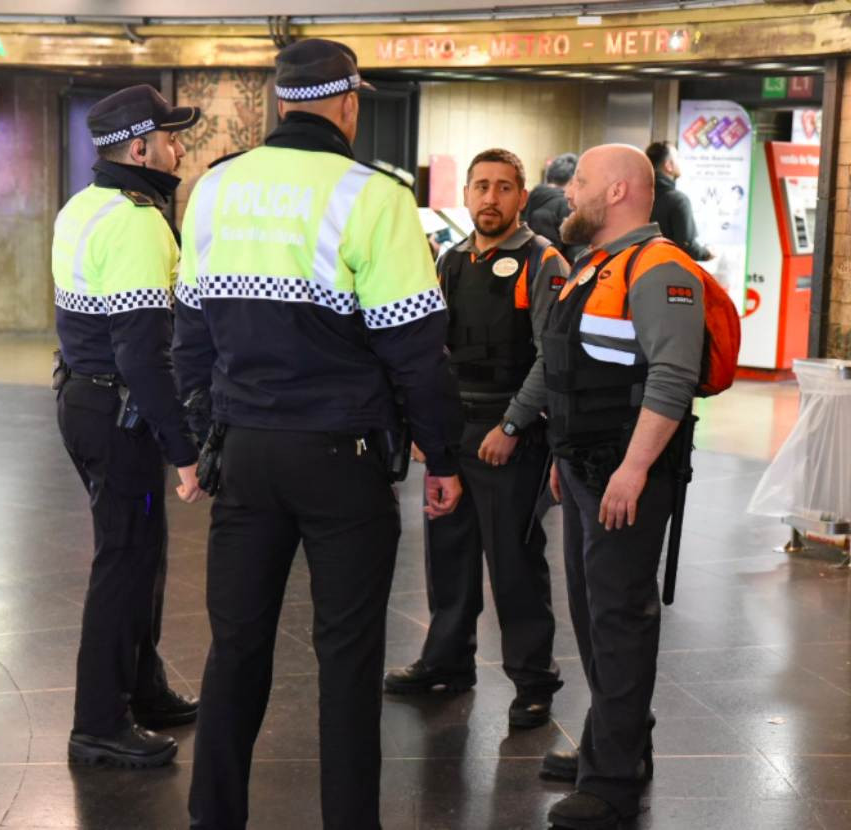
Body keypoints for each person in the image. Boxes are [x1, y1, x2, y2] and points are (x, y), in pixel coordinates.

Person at [173, 38, 464, 830]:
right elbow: (417, 352)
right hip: (344, 459)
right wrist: (443, 456)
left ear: (278, 104)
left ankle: (214, 817)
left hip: (246, 451)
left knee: (235, 649)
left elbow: (189, 337)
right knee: (346, 657)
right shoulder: (373, 197)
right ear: (348, 105)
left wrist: (205, 439)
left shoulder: (216, 187)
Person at [539, 144, 707, 830]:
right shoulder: (595, 265)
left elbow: (671, 378)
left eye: (579, 182)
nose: (567, 193)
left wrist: (634, 469)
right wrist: (555, 445)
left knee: (619, 620)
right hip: (583, 468)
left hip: (626, 475)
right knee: (592, 613)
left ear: (615, 192)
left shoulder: (664, 270)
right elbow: (565, 365)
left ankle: (610, 780)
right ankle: (619, 737)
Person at [383, 148, 566, 728]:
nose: (491, 198)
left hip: (510, 436)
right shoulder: (449, 261)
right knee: (448, 555)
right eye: (481, 187)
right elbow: (430, 352)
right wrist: (423, 426)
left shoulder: (544, 262)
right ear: (466, 194)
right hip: (452, 432)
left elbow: (551, 358)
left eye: (504, 187)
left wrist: (513, 425)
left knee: (513, 563)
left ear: (521, 196)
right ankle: (447, 663)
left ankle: (534, 681)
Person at [50, 85, 203, 769]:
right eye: (172, 138)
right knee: (125, 561)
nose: (179, 150)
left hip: (83, 402)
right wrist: (184, 448)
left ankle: (143, 689)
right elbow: (142, 350)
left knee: (141, 550)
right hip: (120, 413)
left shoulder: (84, 205)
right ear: (141, 147)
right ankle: (99, 722)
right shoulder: (139, 219)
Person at [645, 140, 713, 262]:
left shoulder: (638, 198)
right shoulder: (678, 200)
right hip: (668, 273)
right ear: (669, 166)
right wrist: (706, 253)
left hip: (637, 271)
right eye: (677, 158)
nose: (681, 162)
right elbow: (687, 246)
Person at [523, 152, 582, 261]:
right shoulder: (566, 205)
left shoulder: (526, 200)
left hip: (526, 270)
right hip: (556, 272)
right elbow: (576, 252)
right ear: (572, 180)